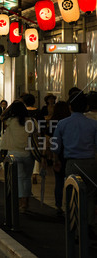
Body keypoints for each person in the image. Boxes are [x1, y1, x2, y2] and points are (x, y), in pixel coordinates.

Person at [53, 92, 97, 234]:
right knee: (90, 195)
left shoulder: (62, 124)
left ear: (70, 106)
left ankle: (75, 226)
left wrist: (56, 160)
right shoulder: (93, 124)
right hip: (90, 163)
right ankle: (89, 224)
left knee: (72, 195)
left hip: (71, 163)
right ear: (86, 107)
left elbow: (56, 146)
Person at [0, 100, 36, 213]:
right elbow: (37, 135)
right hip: (28, 153)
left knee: (19, 178)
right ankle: (26, 201)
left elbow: (1, 116)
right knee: (27, 178)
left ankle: (22, 203)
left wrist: (11, 106)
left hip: (14, 154)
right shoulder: (32, 121)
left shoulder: (10, 121)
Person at [47, 101, 71, 214]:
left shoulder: (52, 122)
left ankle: (58, 205)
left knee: (59, 182)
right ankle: (71, 205)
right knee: (71, 181)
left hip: (59, 154)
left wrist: (53, 157)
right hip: (70, 154)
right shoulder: (70, 122)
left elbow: (52, 140)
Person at [22, 93, 42, 184]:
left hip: (25, 136)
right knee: (36, 153)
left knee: (26, 154)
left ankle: (27, 172)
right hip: (35, 136)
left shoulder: (22, 112)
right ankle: (35, 173)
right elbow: (41, 125)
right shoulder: (38, 112)